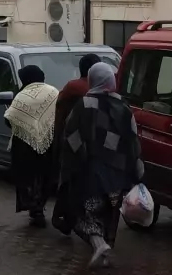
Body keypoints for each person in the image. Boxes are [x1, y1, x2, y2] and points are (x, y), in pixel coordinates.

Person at [60, 63, 144, 268]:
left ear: (92, 79)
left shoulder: (84, 105)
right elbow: (133, 141)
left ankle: (99, 246)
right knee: (110, 215)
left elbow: (71, 136)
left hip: (92, 174)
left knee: (84, 213)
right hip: (118, 175)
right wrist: (136, 170)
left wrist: (77, 162)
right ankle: (105, 253)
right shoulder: (124, 107)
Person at [5, 65, 60, 227]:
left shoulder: (21, 96)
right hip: (48, 144)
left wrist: (25, 129)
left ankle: (33, 207)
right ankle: (40, 206)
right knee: (44, 175)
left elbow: (8, 119)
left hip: (24, 146)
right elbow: (59, 114)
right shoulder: (53, 92)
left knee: (27, 176)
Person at [51, 53, 100, 232]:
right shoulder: (105, 89)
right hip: (97, 146)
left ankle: (64, 217)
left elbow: (60, 112)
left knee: (68, 181)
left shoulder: (73, 87)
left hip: (72, 143)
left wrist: (57, 140)